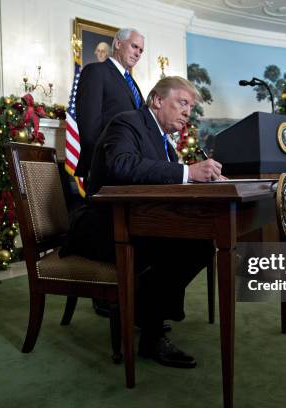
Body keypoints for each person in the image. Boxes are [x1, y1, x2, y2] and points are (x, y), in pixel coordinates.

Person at [61, 76, 225, 368]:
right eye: (182, 103)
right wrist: (187, 173)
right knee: (186, 247)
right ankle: (151, 331)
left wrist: (210, 180)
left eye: (190, 106)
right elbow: (121, 165)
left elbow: (164, 181)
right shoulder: (127, 122)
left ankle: (144, 312)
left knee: (199, 242)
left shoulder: (164, 142)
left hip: (135, 223)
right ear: (158, 100)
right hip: (100, 227)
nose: (188, 112)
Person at [74, 28, 145, 179]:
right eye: (134, 46)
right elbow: (89, 129)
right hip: (105, 168)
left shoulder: (131, 82)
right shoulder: (95, 71)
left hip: (131, 167)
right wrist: (106, 164)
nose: (138, 54)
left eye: (141, 50)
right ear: (118, 44)